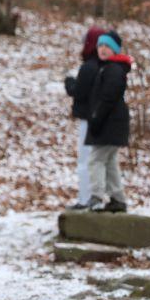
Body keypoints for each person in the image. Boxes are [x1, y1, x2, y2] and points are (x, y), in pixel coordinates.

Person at [85, 30, 134, 213]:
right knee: (110, 161)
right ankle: (117, 199)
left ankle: (97, 197)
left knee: (95, 160)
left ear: (115, 50)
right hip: (112, 123)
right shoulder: (109, 68)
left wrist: (96, 117)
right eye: (100, 45)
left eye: (107, 46)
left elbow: (108, 97)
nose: (103, 49)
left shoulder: (113, 69)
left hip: (110, 123)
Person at [64, 26, 105, 210]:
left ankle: (85, 199)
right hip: (100, 120)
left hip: (89, 121)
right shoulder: (104, 66)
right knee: (96, 161)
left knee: (86, 161)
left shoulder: (89, 67)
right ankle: (94, 199)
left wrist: (69, 82)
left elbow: (78, 92)